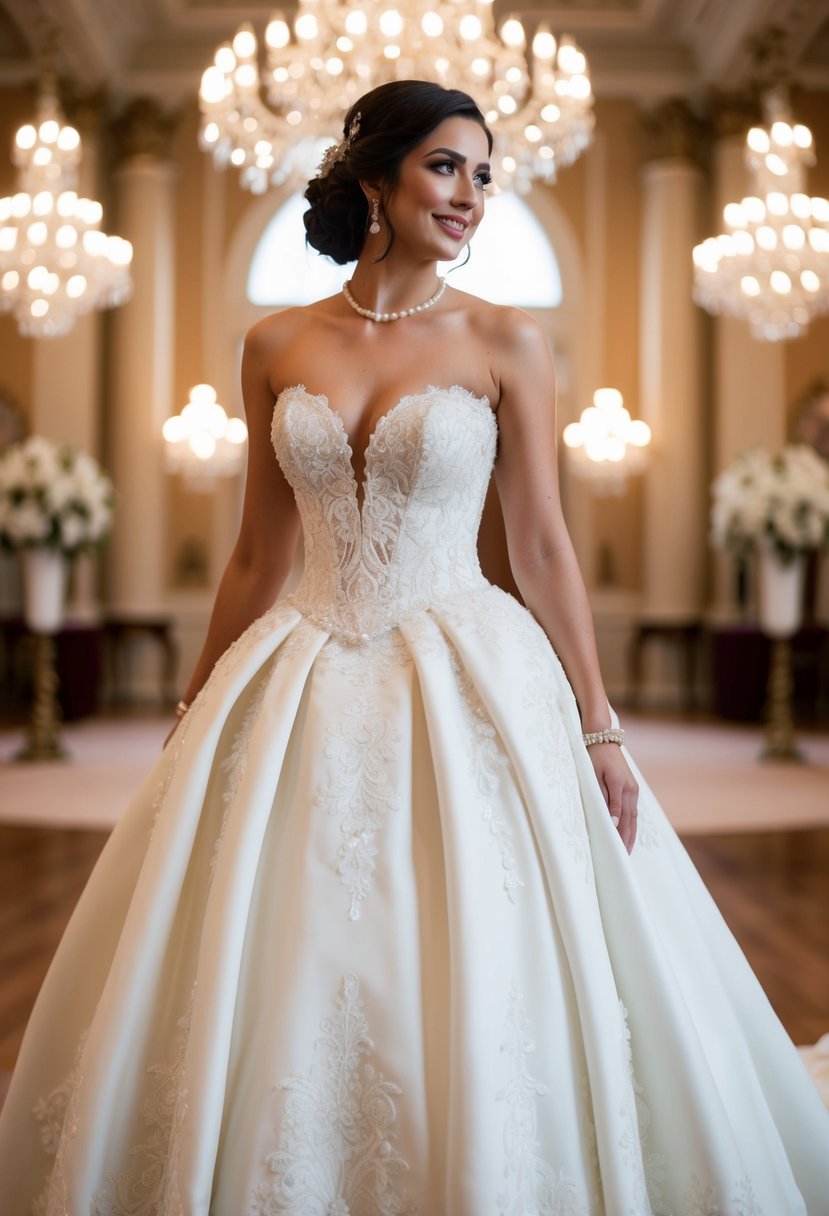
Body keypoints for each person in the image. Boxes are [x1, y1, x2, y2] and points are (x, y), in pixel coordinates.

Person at [1, 79, 827, 1216]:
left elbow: (540, 544)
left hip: (465, 662)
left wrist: (598, 721)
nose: (472, 195)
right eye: (447, 166)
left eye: (485, 175)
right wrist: (195, 705)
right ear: (375, 176)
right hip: (297, 656)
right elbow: (254, 552)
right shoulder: (274, 343)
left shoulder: (506, 340)